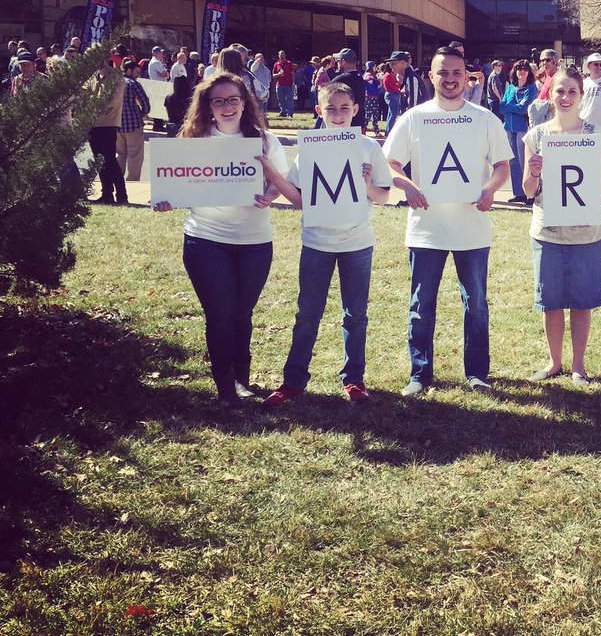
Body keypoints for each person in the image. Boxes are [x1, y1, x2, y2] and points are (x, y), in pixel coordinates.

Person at [152, 74, 289, 407]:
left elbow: (280, 181)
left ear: (244, 102)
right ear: (208, 107)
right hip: (206, 240)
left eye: (233, 99)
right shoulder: (194, 141)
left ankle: (242, 380)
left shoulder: (265, 141)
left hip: (255, 242)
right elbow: (174, 182)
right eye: (219, 101)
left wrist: (270, 194)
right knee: (220, 314)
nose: (227, 107)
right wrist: (165, 199)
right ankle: (225, 388)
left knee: (242, 313)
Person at [383, 46, 512, 395]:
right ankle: (419, 374)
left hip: (472, 228)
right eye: (443, 72)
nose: (450, 79)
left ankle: (477, 373)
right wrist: (407, 185)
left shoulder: (485, 119)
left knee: (476, 305)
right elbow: (389, 163)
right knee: (421, 305)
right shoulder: (413, 118)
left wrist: (490, 189)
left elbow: (502, 166)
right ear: (431, 76)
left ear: (466, 77)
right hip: (426, 229)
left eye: (457, 72)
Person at [262, 82, 394, 407]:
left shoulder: (368, 147)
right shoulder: (310, 148)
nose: (338, 114)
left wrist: (366, 186)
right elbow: (299, 200)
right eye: (330, 108)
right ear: (319, 111)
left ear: (355, 110)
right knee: (307, 314)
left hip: (357, 243)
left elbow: (384, 196)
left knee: (356, 314)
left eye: (344, 108)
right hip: (317, 242)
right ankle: (293, 382)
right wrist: (273, 178)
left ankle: (354, 379)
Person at [521, 67, 601, 387]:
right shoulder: (536, 136)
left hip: (585, 232)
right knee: (552, 302)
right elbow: (528, 190)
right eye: (560, 90)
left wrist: (588, 209)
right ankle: (554, 362)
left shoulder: (596, 136)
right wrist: (534, 171)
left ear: (581, 95)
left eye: (572, 91)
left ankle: (578, 366)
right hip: (547, 232)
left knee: (582, 302)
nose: (566, 97)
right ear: (551, 94)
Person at [87, 61, 127, 205]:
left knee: (110, 160)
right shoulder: (92, 77)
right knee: (99, 161)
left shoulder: (116, 77)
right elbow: (83, 95)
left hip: (108, 124)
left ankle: (122, 195)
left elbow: (111, 102)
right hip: (92, 124)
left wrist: (90, 105)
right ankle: (107, 194)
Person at [499, 59, 538, 205]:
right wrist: (514, 106)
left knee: (524, 161)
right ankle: (518, 193)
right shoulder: (510, 88)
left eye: (525, 69)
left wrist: (510, 106)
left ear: (529, 72)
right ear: (514, 71)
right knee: (513, 162)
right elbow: (501, 107)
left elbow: (523, 110)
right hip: (509, 128)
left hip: (523, 128)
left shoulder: (531, 89)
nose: (522, 71)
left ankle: (530, 194)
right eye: (519, 69)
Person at [116, 59, 151, 181]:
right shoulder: (133, 84)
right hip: (133, 125)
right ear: (129, 71)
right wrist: (141, 114)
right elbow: (145, 103)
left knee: (120, 154)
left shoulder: (114, 83)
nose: (138, 75)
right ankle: (132, 181)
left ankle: (118, 180)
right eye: (136, 72)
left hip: (117, 125)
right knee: (135, 155)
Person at [331, 48, 366, 130]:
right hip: (359, 122)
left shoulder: (340, 80)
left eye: (338, 61)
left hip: (343, 124)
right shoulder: (360, 77)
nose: (337, 64)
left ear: (343, 61)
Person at [272, 50, 296, 118]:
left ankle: (290, 113)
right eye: (280, 55)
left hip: (288, 85)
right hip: (279, 85)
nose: (282, 56)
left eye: (283, 54)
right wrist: (279, 74)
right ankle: (283, 112)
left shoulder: (289, 63)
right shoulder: (276, 64)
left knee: (289, 99)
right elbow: (273, 75)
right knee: (281, 100)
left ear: (285, 55)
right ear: (278, 56)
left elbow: (292, 74)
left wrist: (293, 83)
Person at [362, 61, 384, 136]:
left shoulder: (369, 75)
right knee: (368, 115)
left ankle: (376, 131)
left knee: (375, 114)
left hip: (372, 97)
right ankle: (363, 131)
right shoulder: (369, 76)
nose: (376, 68)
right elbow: (372, 88)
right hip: (370, 98)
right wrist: (380, 83)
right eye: (374, 66)